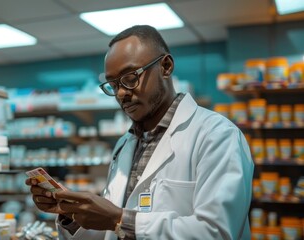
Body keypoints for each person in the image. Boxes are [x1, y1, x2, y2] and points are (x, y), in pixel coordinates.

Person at [26, 25, 254, 240]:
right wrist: (73, 215)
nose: (121, 94)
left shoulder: (216, 135)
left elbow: (217, 231)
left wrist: (119, 218)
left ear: (165, 67)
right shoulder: (125, 145)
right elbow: (112, 231)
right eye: (113, 85)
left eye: (130, 78)